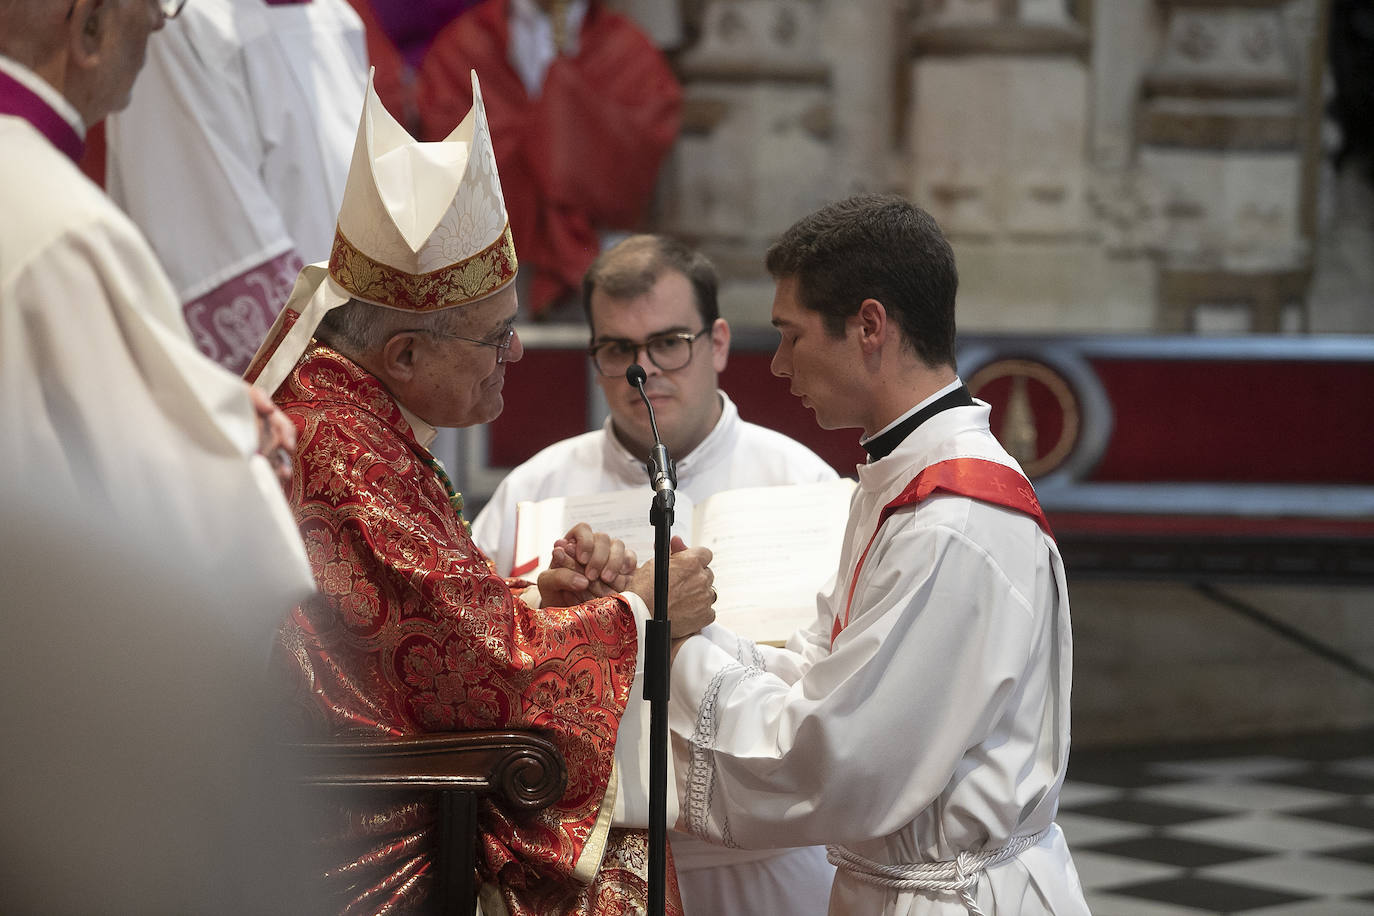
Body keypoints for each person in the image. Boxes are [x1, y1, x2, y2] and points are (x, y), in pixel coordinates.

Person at [247, 71, 714, 915]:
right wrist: (643, 612)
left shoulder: (346, 409)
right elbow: (481, 667)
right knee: (617, 874)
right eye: (497, 336)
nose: (520, 355)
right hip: (359, 826)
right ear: (404, 357)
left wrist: (542, 598)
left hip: (378, 766)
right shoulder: (341, 449)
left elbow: (415, 632)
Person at [664, 195, 1091, 915]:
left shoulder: (953, 520)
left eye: (791, 335)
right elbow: (821, 672)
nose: (776, 365)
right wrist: (690, 630)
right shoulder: (902, 483)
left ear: (869, 326)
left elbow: (836, 757)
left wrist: (673, 648)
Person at [0, 0, 317, 910]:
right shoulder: (63, 228)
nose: (167, 25)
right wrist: (252, 455)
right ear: (88, 24)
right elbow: (169, 545)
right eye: (153, 5)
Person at [471, 233, 840, 913]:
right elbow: (479, 665)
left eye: (669, 342)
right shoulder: (536, 490)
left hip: (766, 862)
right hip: (597, 863)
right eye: (617, 350)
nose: (644, 372)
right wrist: (565, 611)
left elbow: (842, 683)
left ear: (718, 343)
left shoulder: (802, 482)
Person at [101, 0, 369, 374]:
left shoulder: (334, 15)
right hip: (291, 397)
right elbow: (221, 262)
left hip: (357, 361)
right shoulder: (177, 21)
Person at [416, 0, 681, 317]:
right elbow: (446, 143)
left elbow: (642, 141)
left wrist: (568, 138)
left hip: (603, 259)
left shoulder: (625, 48)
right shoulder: (466, 44)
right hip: (488, 262)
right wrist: (543, 146)